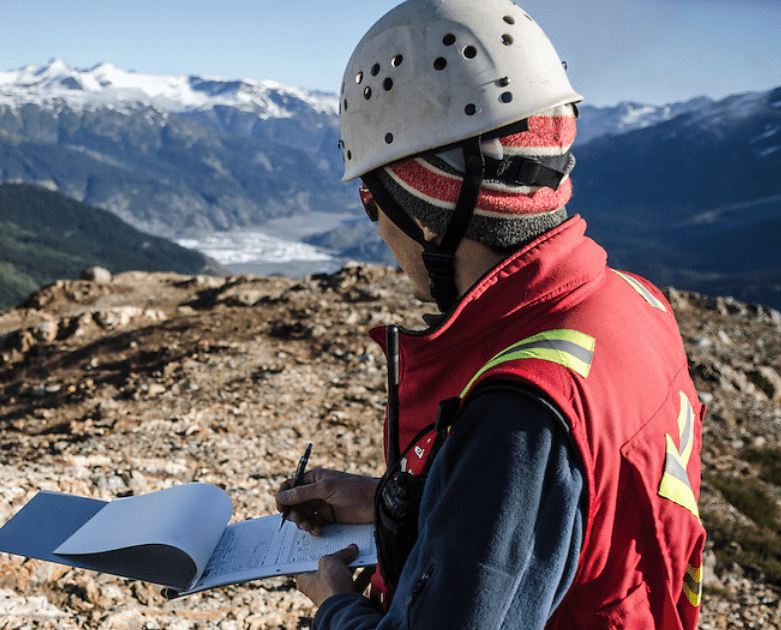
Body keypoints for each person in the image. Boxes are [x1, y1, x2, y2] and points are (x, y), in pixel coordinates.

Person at [275, 0, 706, 628]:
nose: (377, 228)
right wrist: (397, 504)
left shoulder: (520, 411)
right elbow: (569, 520)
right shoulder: (633, 304)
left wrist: (335, 604)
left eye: (373, 198)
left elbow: (528, 481)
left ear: (427, 206)